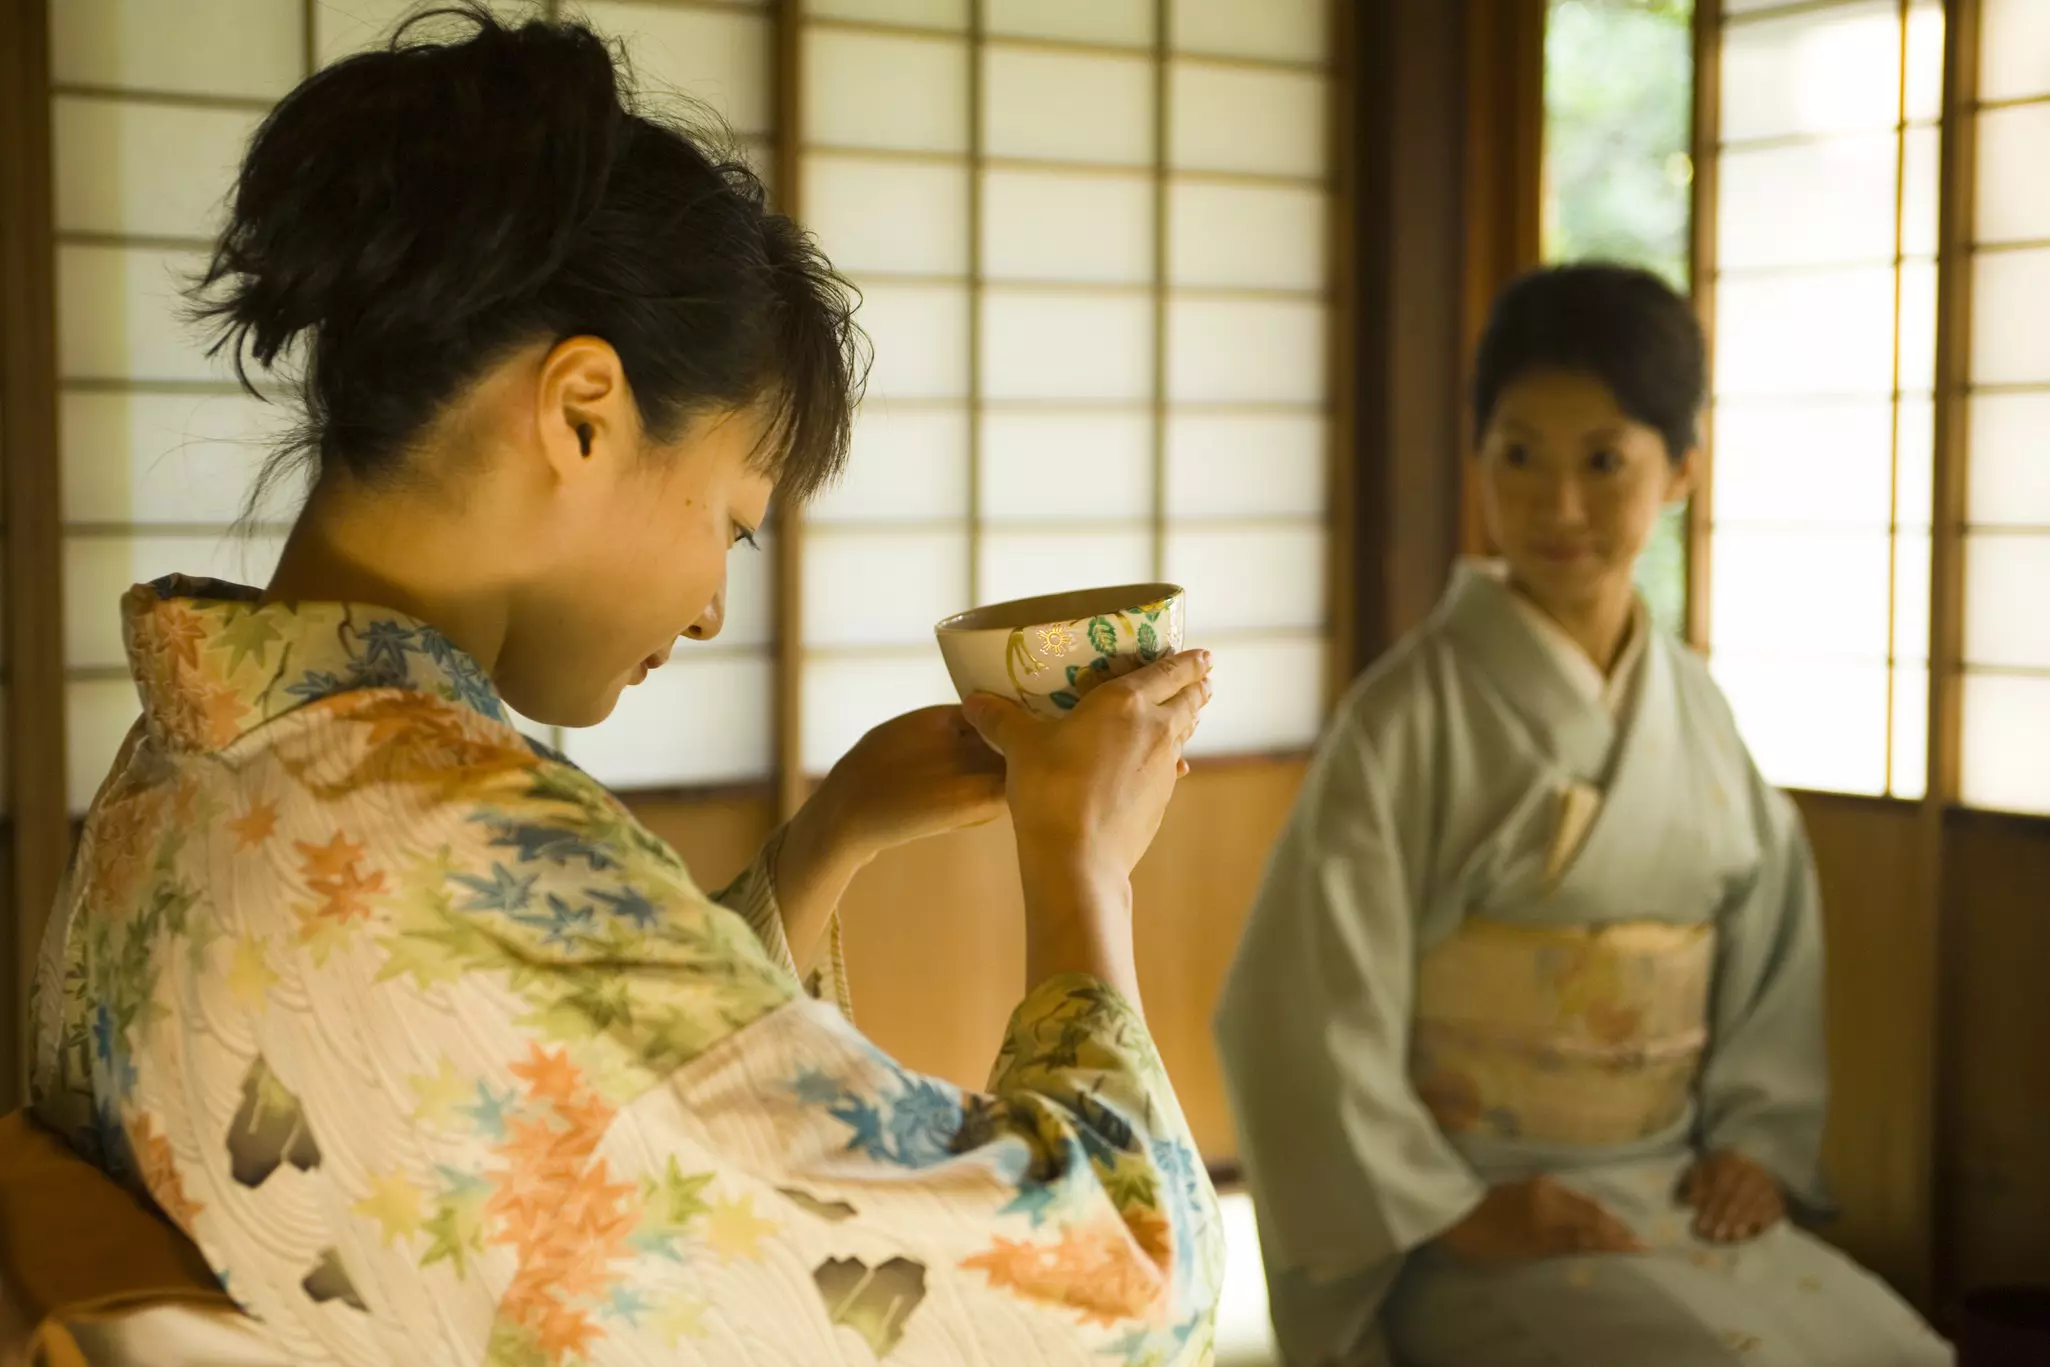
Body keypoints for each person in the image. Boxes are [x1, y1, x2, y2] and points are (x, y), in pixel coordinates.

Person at [28, 8, 1222, 1365]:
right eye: (731, 517)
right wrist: (1082, 861)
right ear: (582, 409)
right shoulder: (452, 844)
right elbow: (1112, 1288)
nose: (714, 604)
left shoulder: (190, 756)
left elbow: (536, 1088)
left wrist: (827, 839)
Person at [1214, 263, 1951, 1367]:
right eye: (1518, 455)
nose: (1556, 504)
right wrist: (1450, 1208)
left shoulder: (1696, 707)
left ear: (1680, 471)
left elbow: (1770, 948)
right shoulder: (1405, 716)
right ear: (1479, 459)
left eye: (1603, 461)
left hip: (1676, 1187)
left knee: (1900, 1354)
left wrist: (1752, 1140)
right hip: (1473, 1219)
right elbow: (1300, 1004)